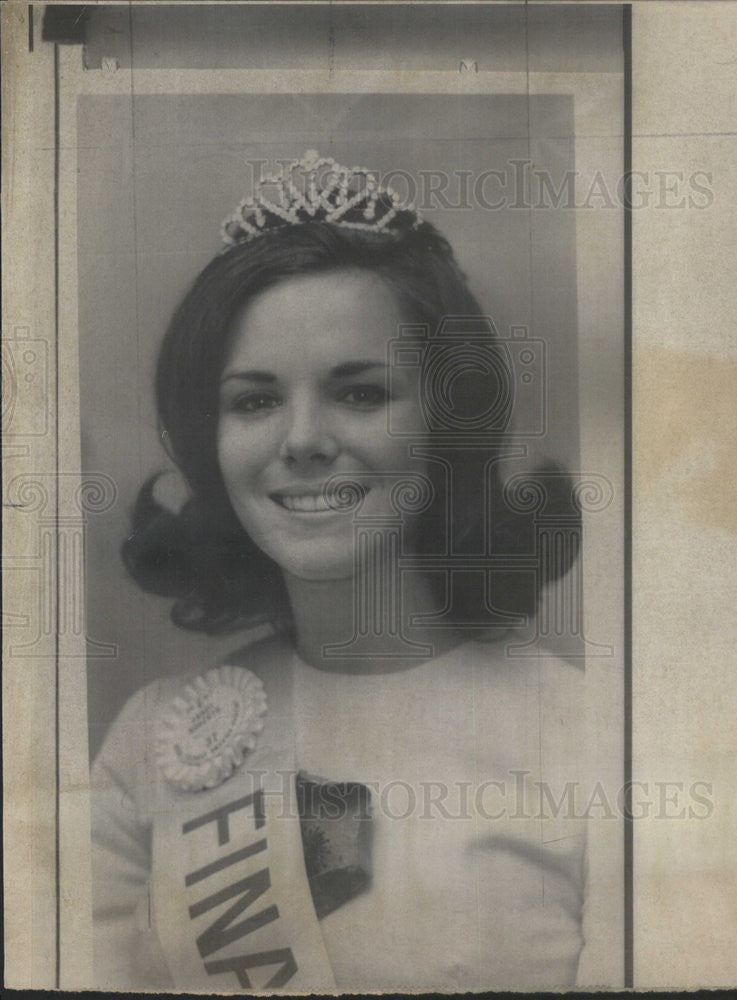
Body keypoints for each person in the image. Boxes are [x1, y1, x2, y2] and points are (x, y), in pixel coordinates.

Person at [90, 150, 597, 992]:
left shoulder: (591, 739)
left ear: (447, 422)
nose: (302, 440)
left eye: (359, 393)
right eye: (254, 400)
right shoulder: (149, 745)